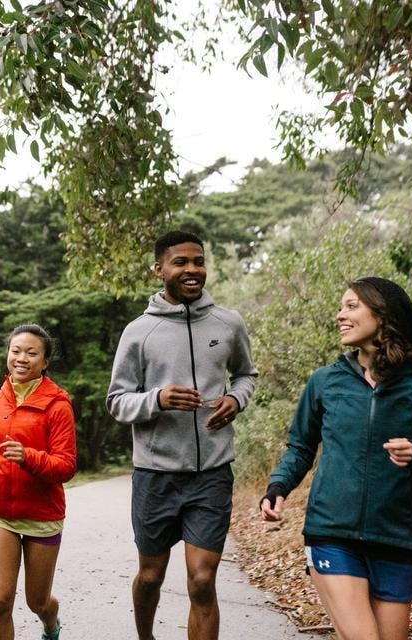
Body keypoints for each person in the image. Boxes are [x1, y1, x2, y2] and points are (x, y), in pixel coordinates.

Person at [259, 277, 412, 640]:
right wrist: (278, 486)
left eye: (351, 306)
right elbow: (300, 447)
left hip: (394, 538)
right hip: (332, 533)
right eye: (341, 307)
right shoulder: (326, 381)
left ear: (384, 315)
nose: (340, 315)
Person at [106, 230, 258, 640]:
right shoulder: (139, 331)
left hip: (211, 472)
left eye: (198, 261)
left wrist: (236, 400)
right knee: (151, 576)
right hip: (156, 476)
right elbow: (117, 401)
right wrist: (158, 399)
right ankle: (146, 637)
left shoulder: (228, 323)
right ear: (159, 270)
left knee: (202, 581)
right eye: (181, 262)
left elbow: (246, 375)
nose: (192, 270)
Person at [0, 324, 77, 640]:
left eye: (32, 353)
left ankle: (50, 621)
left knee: (37, 601)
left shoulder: (57, 404)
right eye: (16, 351)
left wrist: (28, 456)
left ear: (45, 362)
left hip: (42, 515)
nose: (22, 358)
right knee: (0, 601)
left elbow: (66, 466)